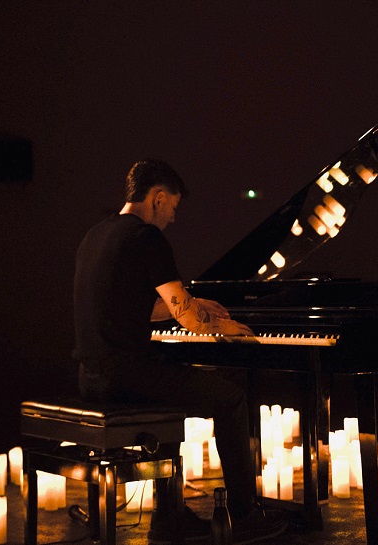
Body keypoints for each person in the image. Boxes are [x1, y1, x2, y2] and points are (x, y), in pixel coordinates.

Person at [72, 159, 288, 544]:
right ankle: (244, 514)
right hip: (128, 375)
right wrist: (223, 325)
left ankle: (169, 518)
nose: (172, 217)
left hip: (92, 377)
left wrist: (191, 301)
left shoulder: (97, 235)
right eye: (172, 206)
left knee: (174, 391)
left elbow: (136, 306)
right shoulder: (146, 237)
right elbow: (186, 318)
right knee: (231, 398)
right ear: (157, 199)